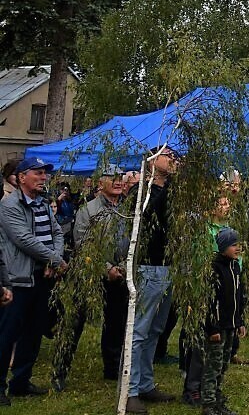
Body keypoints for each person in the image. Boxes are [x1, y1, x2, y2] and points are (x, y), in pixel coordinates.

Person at [52, 165, 130, 391]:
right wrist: (106, 268)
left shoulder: (128, 209)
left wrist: (122, 268)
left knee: (116, 323)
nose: (118, 182)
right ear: (100, 183)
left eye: (120, 178)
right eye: (112, 178)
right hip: (89, 275)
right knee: (74, 323)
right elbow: (83, 244)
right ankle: (60, 370)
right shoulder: (88, 210)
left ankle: (112, 368)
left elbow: (135, 241)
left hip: (120, 275)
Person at [0, 156, 65, 404]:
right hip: (18, 278)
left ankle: (21, 381)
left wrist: (53, 260)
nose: (43, 177)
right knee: (7, 333)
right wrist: (55, 261)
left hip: (42, 277)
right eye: (37, 173)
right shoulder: (9, 206)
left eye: (44, 173)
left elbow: (56, 232)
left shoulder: (43, 204)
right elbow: (24, 239)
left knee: (33, 332)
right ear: (21, 177)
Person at [126, 147, 179, 413]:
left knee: (156, 328)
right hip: (148, 266)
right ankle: (130, 389)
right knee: (139, 330)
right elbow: (144, 220)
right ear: (151, 160)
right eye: (167, 154)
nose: (172, 159)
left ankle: (145, 384)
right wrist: (165, 187)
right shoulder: (141, 191)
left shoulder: (175, 190)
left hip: (168, 266)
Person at [200, 227, 246, 415]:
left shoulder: (235, 267)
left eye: (238, 244)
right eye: (233, 244)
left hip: (231, 323)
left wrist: (240, 320)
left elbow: (239, 296)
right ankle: (208, 403)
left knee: (224, 362)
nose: (238, 248)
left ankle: (218, 399)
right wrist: (212, 328)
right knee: (213, 364)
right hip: (217, 326)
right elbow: (209, 301)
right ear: (223, 246)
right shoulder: (214, 268)